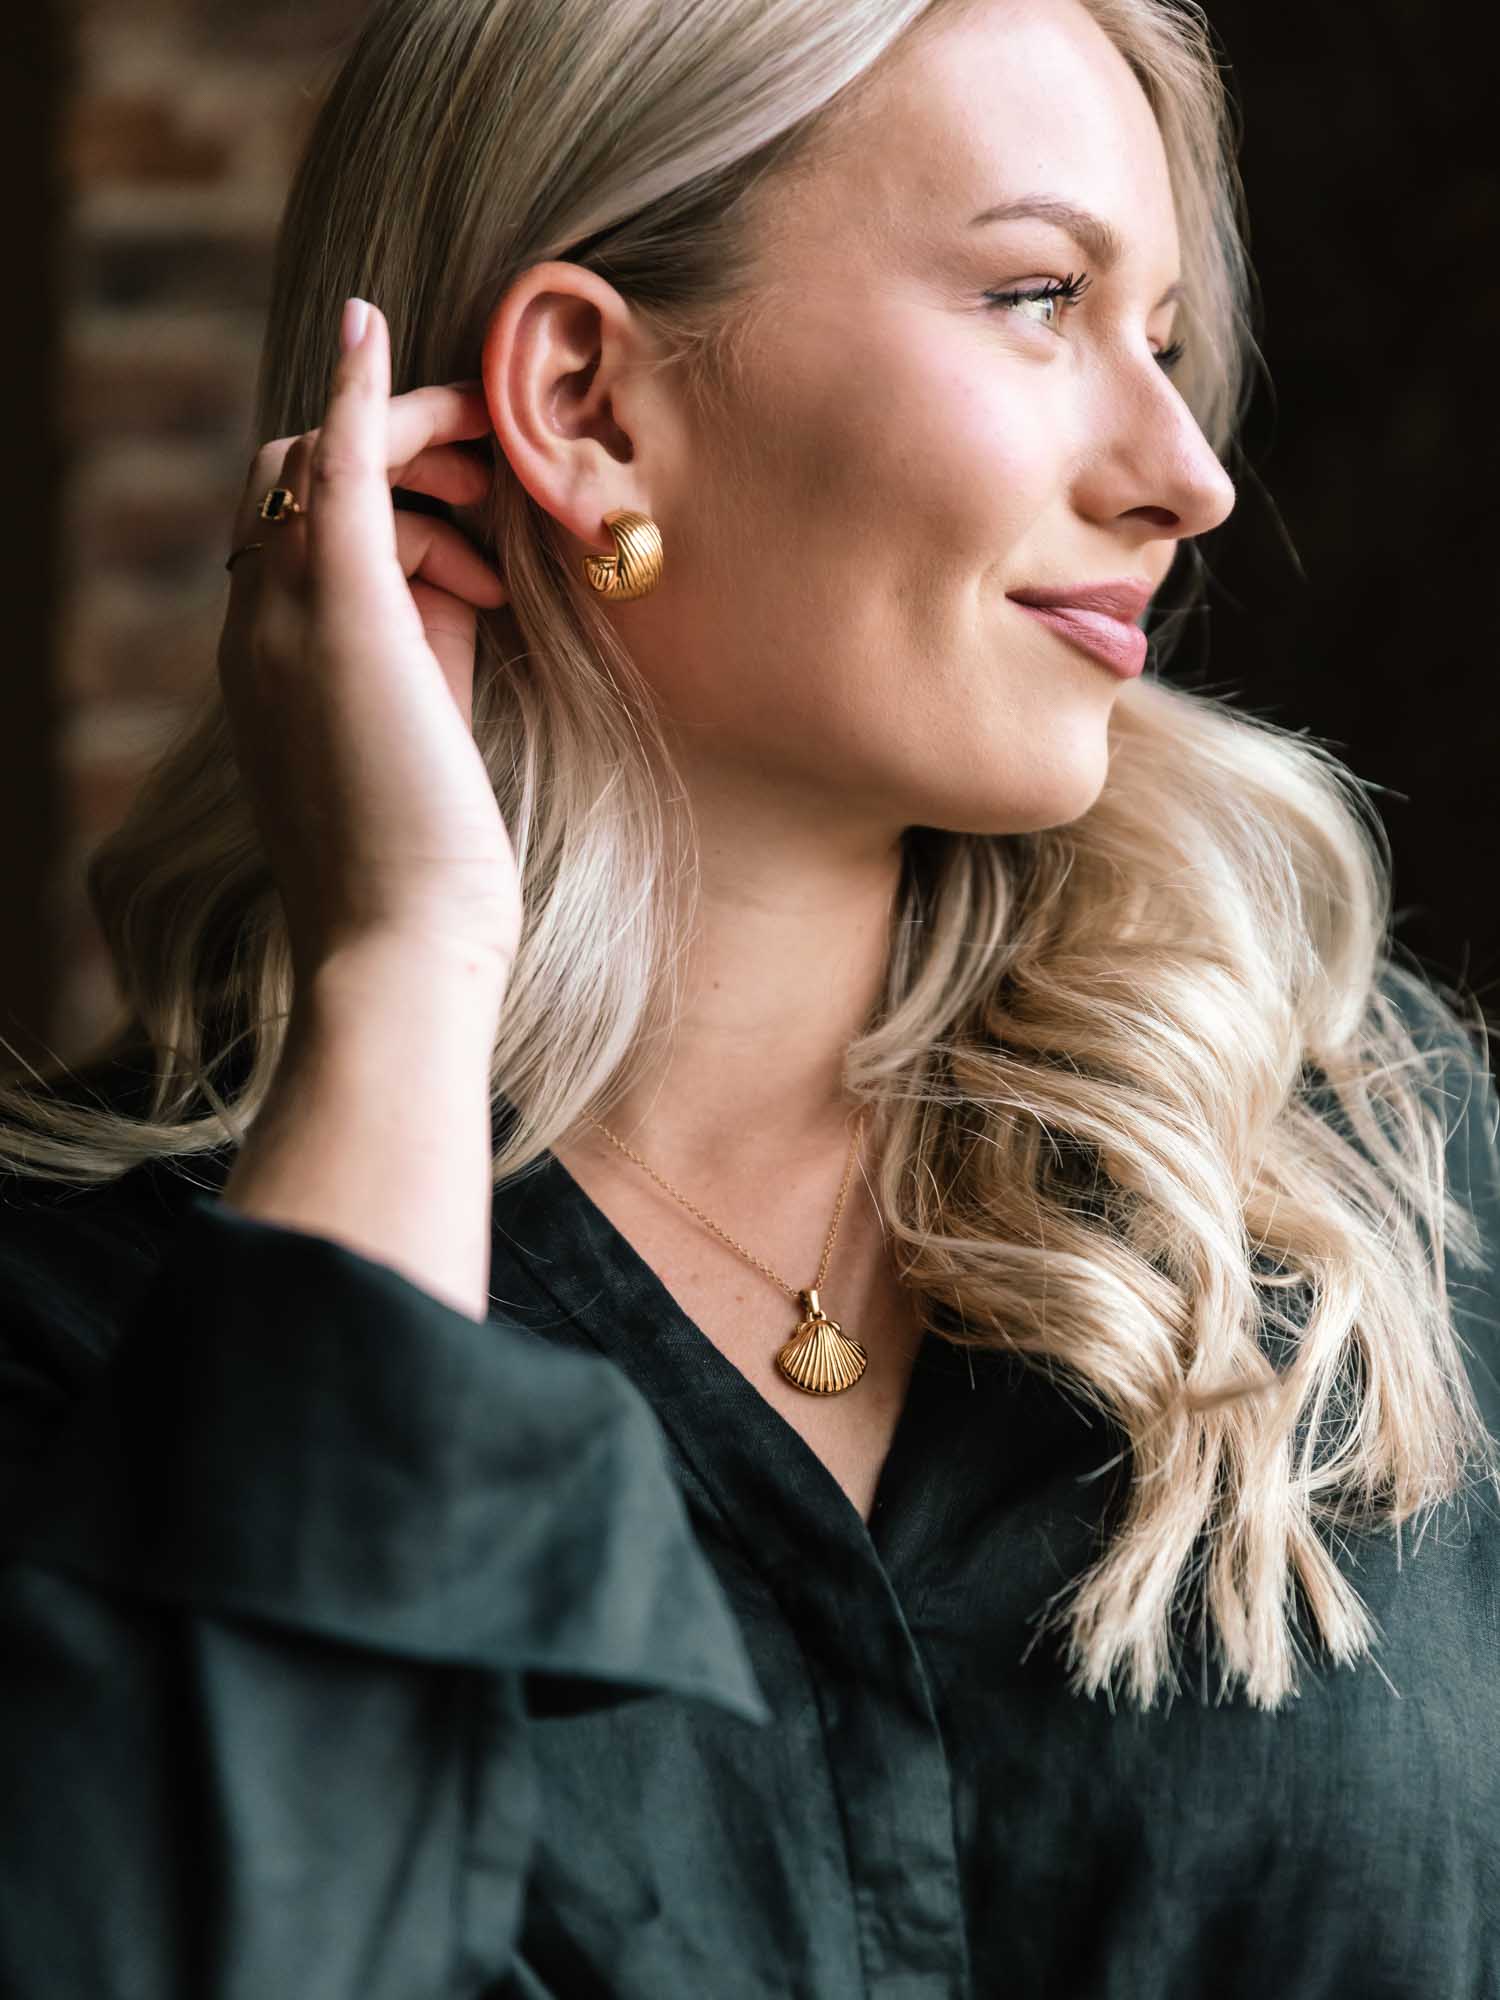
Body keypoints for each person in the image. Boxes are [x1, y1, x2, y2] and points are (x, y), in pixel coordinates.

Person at [3, 0, 1498, 1993]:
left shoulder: (1382, 1188)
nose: (1186, 473)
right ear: (585, 398)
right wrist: (407, 966)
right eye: (1039, 296)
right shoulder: (82, 1340)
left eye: (1161, 339)